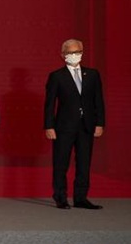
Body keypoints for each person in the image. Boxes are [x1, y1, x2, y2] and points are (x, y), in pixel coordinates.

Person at [44, 39, 105, 210]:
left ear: (82, 52)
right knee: (61, 162)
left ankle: (81, 198)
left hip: (86, 125)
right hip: (63, 127)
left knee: (84, 162)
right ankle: (60, 197)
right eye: (70, 53)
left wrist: (100, 123)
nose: (74, 55)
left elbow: (98, 100)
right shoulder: (57, 76)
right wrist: (49, 126)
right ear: (63, 55)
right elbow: (49, 103)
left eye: (77, 52)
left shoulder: (92, 74)